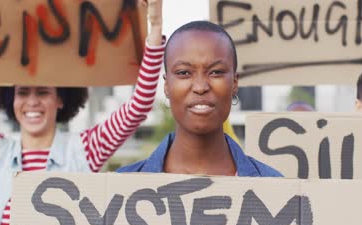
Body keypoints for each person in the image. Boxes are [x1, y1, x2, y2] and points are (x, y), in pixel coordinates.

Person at [0, 0, 165, 225]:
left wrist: (155, 26)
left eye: (43, 92)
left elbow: (139, 105)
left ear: (60, 99)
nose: (32, 102)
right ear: (10, 99)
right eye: (22, 92)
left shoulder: (86, 149)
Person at [117, 21, 282, 178]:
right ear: (166, 85)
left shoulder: (276, 188)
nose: (200, 86)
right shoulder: (120, 190)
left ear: (234, 83)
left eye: (216, 72)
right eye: (184, 73)